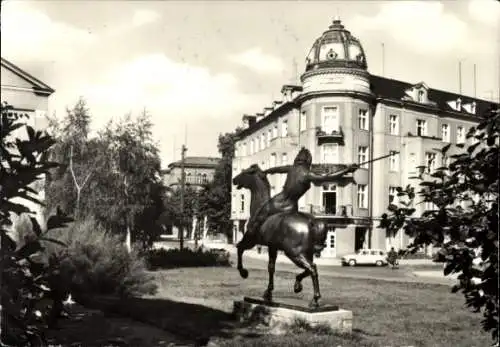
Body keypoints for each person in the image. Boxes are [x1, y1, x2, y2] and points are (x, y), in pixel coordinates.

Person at [244, 147, 358, 238]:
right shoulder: (308, 174)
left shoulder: (292, 168)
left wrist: (266, 171)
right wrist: (346, 170)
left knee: (260, 213)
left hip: (279, 201)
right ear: (308, 161)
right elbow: (327, 175)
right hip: (292, 207)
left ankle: (252, 233)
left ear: (298, 159)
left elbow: (277, 169)